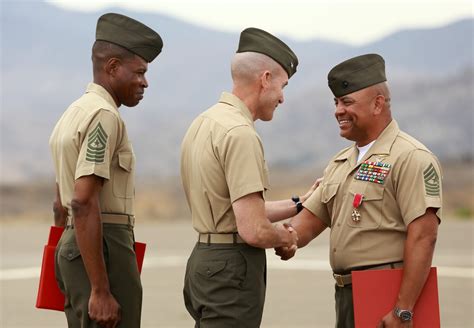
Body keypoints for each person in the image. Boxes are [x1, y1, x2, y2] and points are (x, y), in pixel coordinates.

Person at [275, 54, 442, 328]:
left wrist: (404, 310)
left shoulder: (411, 157)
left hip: (388, 293)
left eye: (347, 102)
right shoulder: (341, 162)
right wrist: (270, 233)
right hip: (347, 293)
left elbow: (424, 236)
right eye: (336, 102)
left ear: (378, 104)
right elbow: (305, 224)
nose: (338, 110)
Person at [180, 27, 319, 327]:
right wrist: (287, 236)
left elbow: (235, 208)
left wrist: (299, 204)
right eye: (283, 86)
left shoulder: (203, 123)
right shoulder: (240, 134)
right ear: (265, 79)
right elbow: (253, 229)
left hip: (204, 260)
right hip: (230, 270)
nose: (282, 98)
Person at [49, 13, 163, 327]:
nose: (145, 82)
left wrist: (60, 254)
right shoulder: (103, 115)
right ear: (113, 67)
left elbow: (60, 204)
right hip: (103, 247)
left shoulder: (73, 112)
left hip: (77, 244)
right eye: (139, 72)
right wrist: (100, 289)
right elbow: (83, 201)